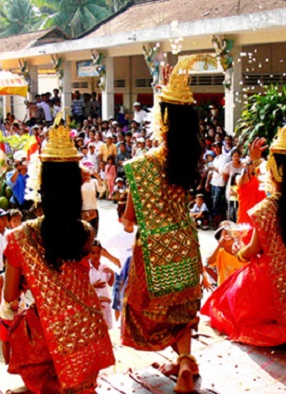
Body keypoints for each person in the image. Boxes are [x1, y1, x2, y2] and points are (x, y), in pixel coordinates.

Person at [4, 120, 114, 393]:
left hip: (44, 343)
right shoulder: (86, 233)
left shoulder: (18, 237)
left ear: (42, 186)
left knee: (20, 318)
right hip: (85, 337)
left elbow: (8, 297)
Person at [201, 120, 286, 360]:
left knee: (225, 307)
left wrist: (237, 251)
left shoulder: (266, 207)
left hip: (266, 276)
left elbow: (253, 250)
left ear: (276, 171)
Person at [122, 58, 204, 394]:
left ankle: (181, 360)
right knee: (181, 306)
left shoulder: (142, 166)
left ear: (163, 120)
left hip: (154, 248)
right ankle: (184, 359)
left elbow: (129, 220)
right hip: (186, 242)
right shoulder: (188, 159)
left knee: (151, 308)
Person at [204, 221, 246, 286]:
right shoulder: (220, 252)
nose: (229, 236)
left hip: (241, 286)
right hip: (226, 288)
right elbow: (209, 262)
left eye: (232, 233)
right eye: (226, 233)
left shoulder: (242, 251)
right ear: (219, 239)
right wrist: (219, 245)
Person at [88, 240, 115, 330]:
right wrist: (94, 286)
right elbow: (83, 288)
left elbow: (110, 284)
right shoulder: (86, 269)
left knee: (104, 327)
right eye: (93, 253)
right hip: (92, 302)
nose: (96, 255)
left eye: (98, 252)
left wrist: (113, 274)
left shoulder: (104, 267)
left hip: (105, 302)